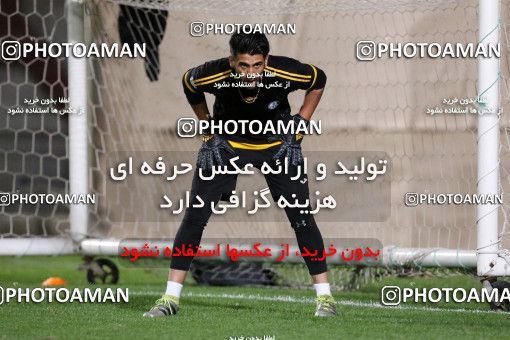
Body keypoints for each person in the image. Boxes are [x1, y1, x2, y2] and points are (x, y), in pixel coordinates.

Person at [144, 32, 336, 317]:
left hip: (276, 147)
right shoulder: (213, 73)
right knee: (195, 216)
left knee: (302, 218)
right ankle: (169, 300)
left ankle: (326, 300)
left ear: (266, 61)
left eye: (257, 65)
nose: (251, 74)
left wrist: (300, 124)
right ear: (232, 61)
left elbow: (318, 80)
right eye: (244, 66)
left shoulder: (284, 70)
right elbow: (189, 84)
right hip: (227, 145)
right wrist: (208, 129)